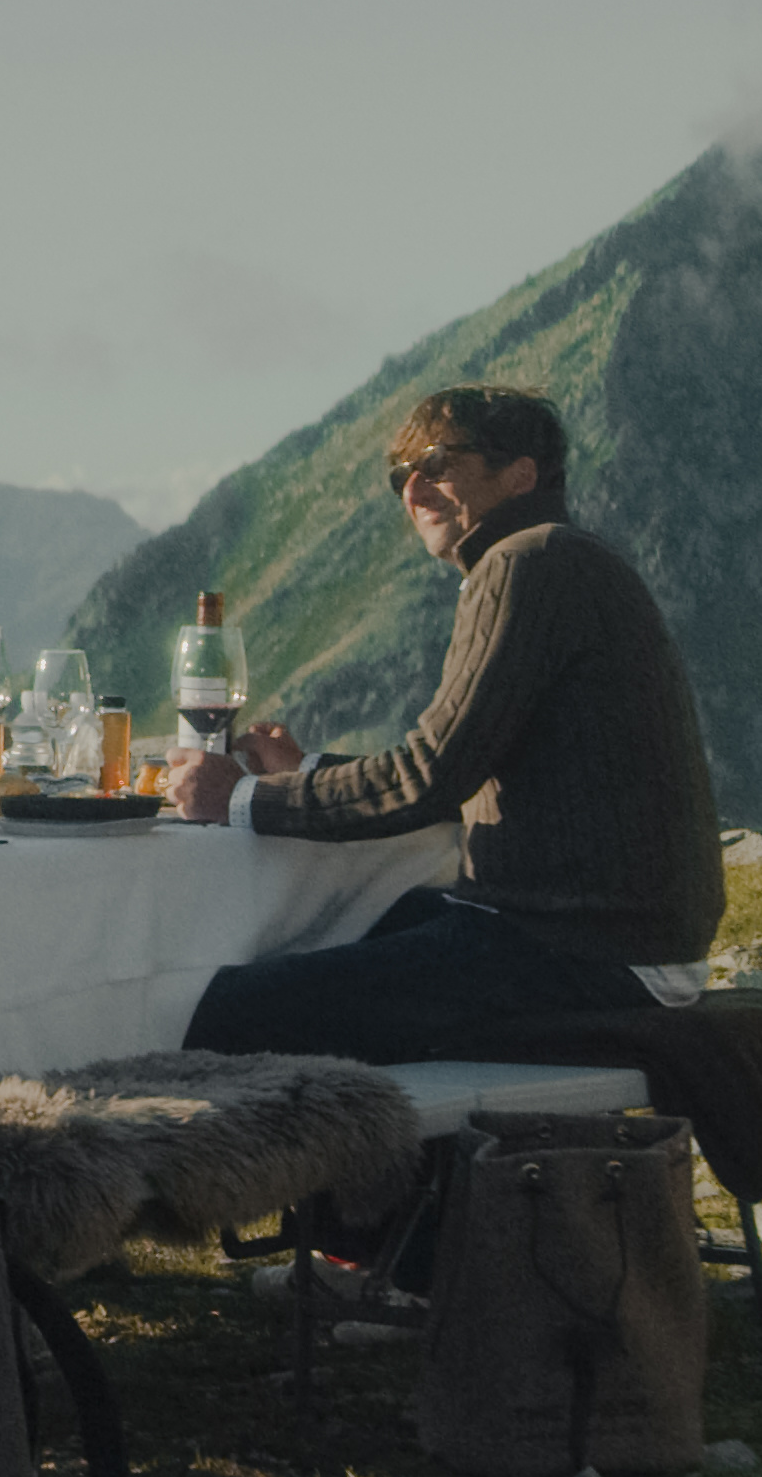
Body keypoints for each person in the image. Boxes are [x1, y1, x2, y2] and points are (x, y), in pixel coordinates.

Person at [166, 385, 725, 1063]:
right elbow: (459, 766)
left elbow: (430, 774)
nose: (413, 488)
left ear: (521, 472)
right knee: (343, 934)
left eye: (436, 463)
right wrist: (307, 773)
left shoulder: (530, 564)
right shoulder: (557, 560)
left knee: (227, 1009)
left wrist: (241, 798)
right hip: (600, 937)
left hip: (587, 953)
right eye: (402, 474)